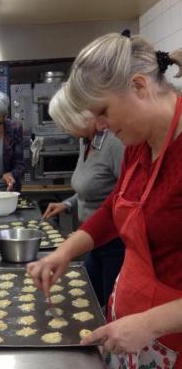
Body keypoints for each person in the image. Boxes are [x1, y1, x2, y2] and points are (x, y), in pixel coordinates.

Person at [27, 32, 182, 368]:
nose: (99, 125)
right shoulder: (138, 144)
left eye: (103, 111)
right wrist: (65, 252)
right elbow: (116, 206)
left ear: (140, 86)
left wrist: (148, 323)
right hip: (133, 331)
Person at [42, 86, 125, 310]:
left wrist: (70, 246)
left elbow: (124, 196)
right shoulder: (87, 141)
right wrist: (68, 203)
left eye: (67, 123)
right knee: (90, 303)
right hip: (93, 240)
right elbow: (90, 188)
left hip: (116, 244)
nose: (65, 129)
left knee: (110, 307)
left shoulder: (115, 143)